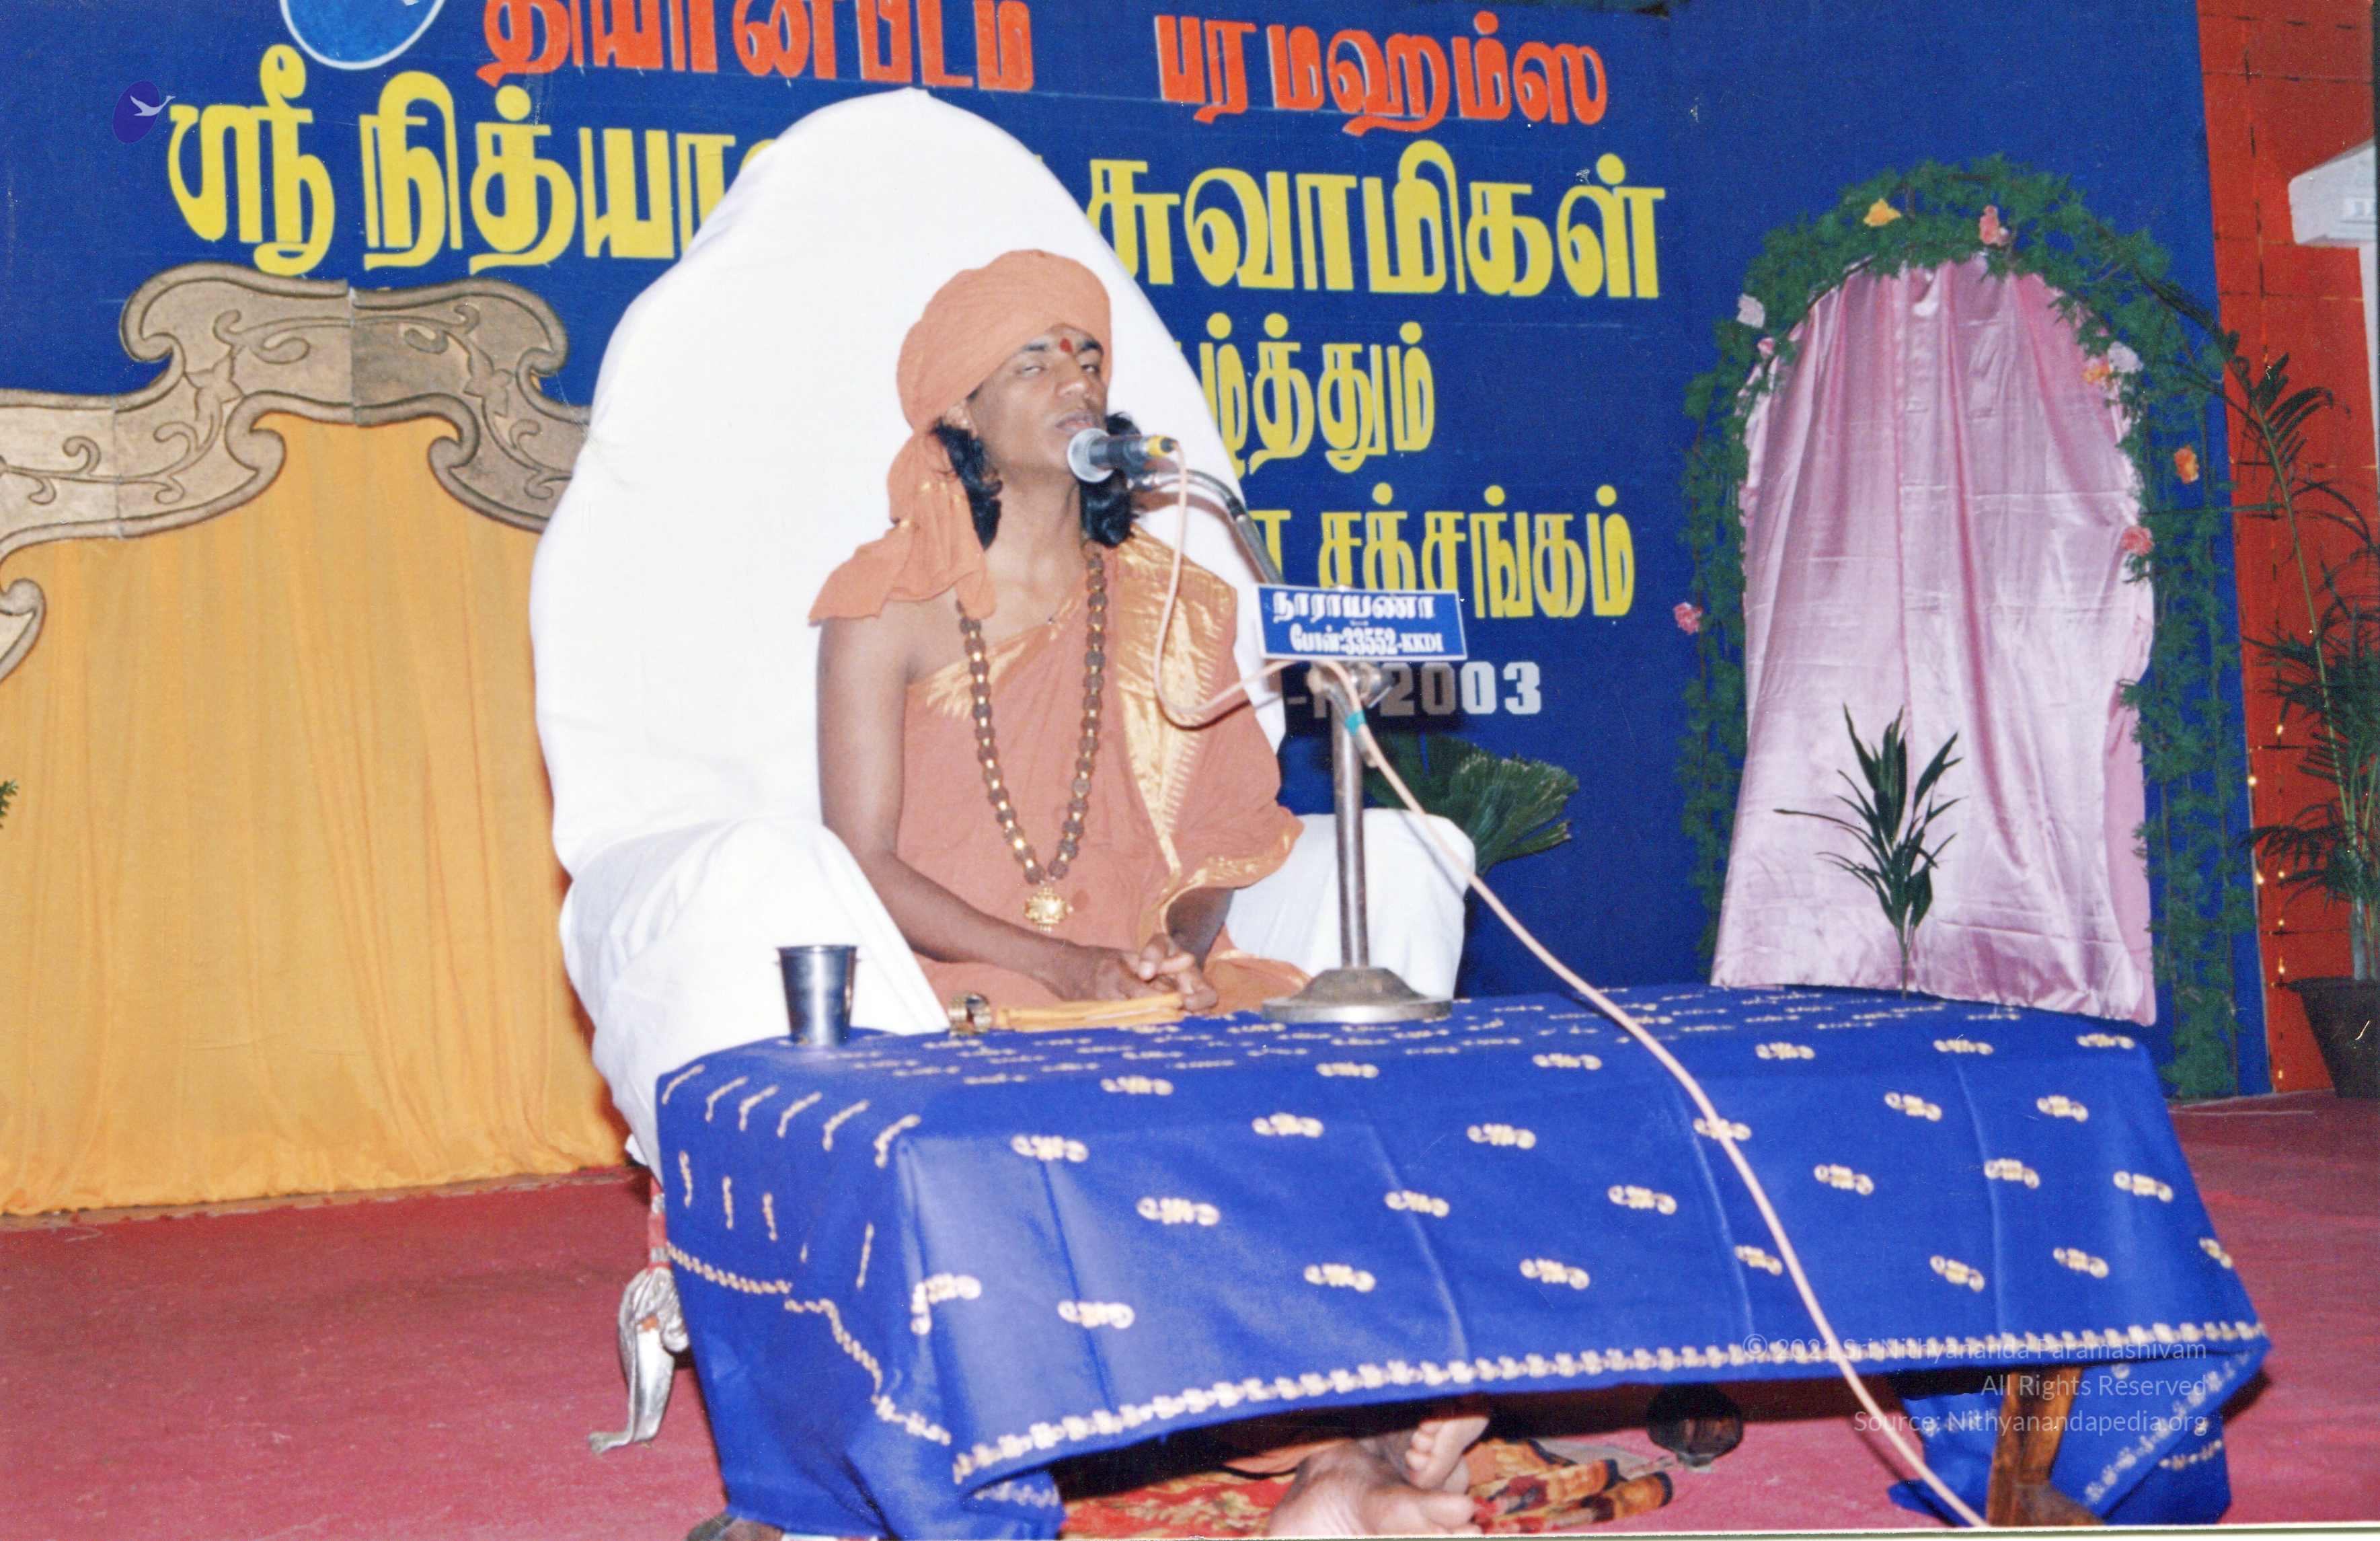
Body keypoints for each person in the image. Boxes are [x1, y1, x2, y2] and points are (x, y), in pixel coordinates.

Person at [760, 249, 1482, 1538]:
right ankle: (1322, 1458)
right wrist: (1070, 967)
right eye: (1033, 358)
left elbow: (1218, 841)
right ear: (958, 412)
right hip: (963, 985)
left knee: (1301, 1104)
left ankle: (1349, 1444)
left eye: (1087, 354)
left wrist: (1172, 947)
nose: (1075, 378)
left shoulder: (1175, 600)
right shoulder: (885, 606)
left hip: (1144, 978)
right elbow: (863, 858)